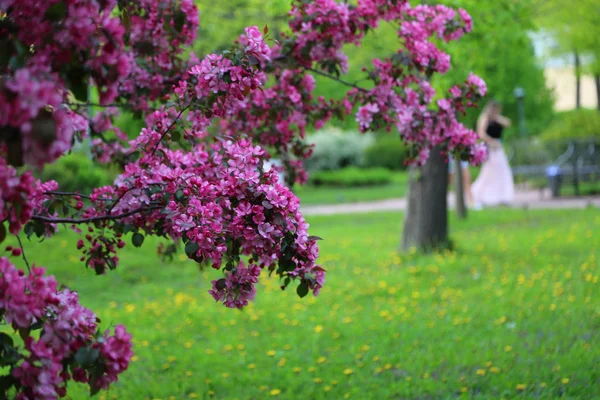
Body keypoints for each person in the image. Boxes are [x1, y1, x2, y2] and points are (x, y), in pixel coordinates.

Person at [471, 100, 514, 207]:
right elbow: (481, 134)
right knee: (488, 172)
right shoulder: (484, 118)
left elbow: (508, 123)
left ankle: (501, 196)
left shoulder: (497, 118)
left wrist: (496, 117)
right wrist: (491, 141)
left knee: (502, 171)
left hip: (498, 149)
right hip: (489, 148)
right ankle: (479, 194)